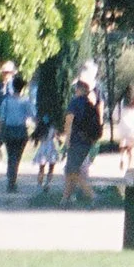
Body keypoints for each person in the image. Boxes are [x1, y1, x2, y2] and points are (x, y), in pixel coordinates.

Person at [0, 62, 35, 193]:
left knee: (11, 156)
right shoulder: (25, 101)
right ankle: (12, 179)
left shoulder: (7, 101)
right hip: (21, 130)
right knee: (17, 157)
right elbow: (32, 114)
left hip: (9, 130)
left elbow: (3, 117)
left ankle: (11, 179)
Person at [61, 76, 101, 204]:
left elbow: (69, 121)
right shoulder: (90, 104)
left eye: (75, 88)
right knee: (70, 170)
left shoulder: (74, 103)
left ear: (79, 89)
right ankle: (65, 199)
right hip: (87, 141)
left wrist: (67, 140)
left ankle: (92, 195)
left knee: (73, 171)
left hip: (76, 140)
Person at [34, 103, 63, 192]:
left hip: (43, 148)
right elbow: (58, 138)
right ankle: (47, 184)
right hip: (51, 148)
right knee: (51, 167)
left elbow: (37, 138)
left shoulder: (40, 129)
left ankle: (39, 185)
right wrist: (59, 141)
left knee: (41, 168)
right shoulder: (53, 128)